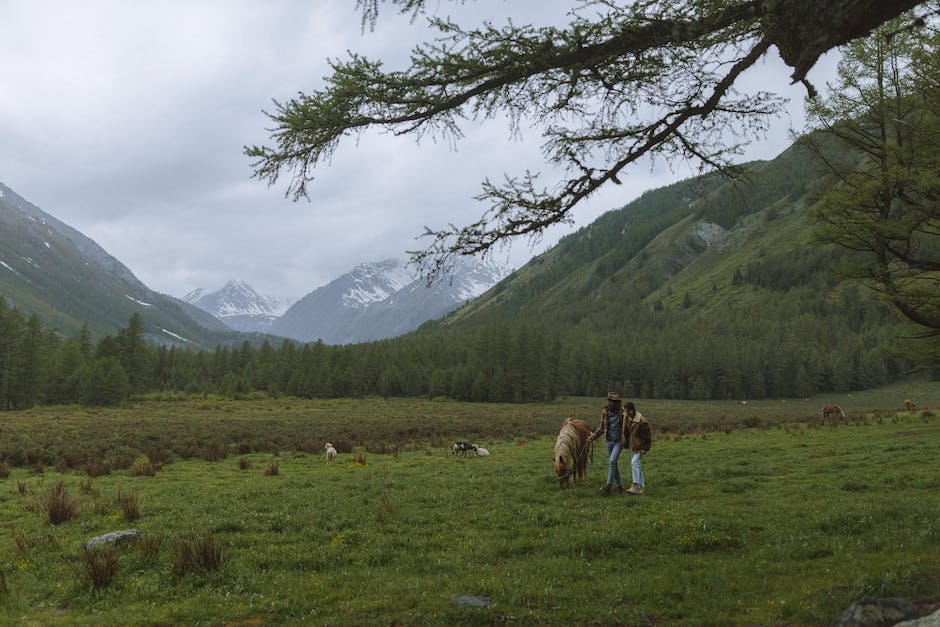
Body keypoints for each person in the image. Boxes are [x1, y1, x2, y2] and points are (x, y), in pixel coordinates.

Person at [589, 392, 627, 495]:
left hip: (618, 441)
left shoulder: (623, 413)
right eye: (610, 401)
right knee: (613, 463)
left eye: (613, 402)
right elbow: (601, 428)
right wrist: (593, 437)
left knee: (612, 461)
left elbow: (627, 427)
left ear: (617, 403)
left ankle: (608, 486)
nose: (611, 403)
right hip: (609, 441)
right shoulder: (605, 412)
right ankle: (619, 486)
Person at [624, 401, 652, 494]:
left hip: (640, 447)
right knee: (637, 465)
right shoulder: (628, 418)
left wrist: (645, 448)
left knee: (634, 463)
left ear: (632, 410)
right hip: (633, 446)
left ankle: (635, 485)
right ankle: (642, 486)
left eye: (627, 411)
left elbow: (647, 436)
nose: (626, 413)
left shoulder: (642, 421)